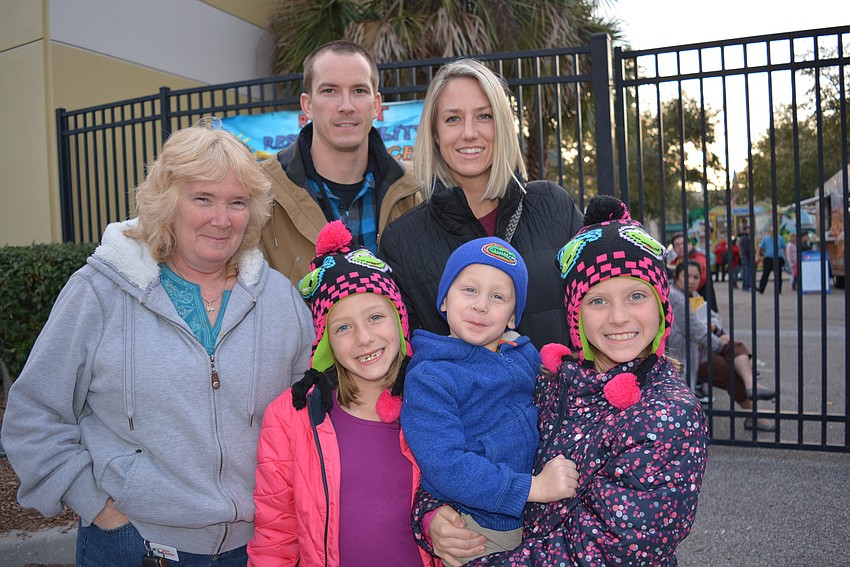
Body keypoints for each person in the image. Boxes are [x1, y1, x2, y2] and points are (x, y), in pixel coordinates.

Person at [1, 124, 314, 566]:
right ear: (168, 202)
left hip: (258, 547)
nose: (222, 219)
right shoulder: (100, 292)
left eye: (237, 202)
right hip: (135, 543)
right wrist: (101, 509)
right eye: (203, 198)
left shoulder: (280, 299)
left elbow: (311, 418)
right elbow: (34, 415)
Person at [415, 195, 709, 566]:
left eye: (636, 295)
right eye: (598, 301)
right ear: (576, 313)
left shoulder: (668, 417)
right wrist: (431, 516)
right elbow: (465, 449)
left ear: (662, 306)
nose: (619, 317)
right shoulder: (555, 382)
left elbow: (604, 553)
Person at [248, 221, 437, 566]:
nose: (364, 338)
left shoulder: (436, 401)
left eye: (376, 317)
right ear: (326, 343)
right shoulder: (291, 417)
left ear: (399, 321)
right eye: (344, 327)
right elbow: (276, 535)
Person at [379, 59, 583, 349]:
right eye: (453, 119)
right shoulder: (402, 242)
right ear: (435, 133)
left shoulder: (553, 206)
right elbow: (404, 356)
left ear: (501, 125)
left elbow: (599, 305)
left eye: (484, 116)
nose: (469, 133)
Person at [401, 238, 579, 562]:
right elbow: (446, 465)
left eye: (498, 297)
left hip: (535, 514)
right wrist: (533, 488)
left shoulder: (524, 355)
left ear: (512, 317)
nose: (481, 305)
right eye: (469, 290)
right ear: (445, 299)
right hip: (480, 525)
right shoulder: (431, 376)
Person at [259, 40, 420, 283]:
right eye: (330, 91)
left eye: (359, 91)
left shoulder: (414, 194)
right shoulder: (262, 194)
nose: (346, 106)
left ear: (376, 105)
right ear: (307, 105)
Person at [668, 261, 777, 431]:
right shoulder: (675, 297)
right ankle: (753, 410)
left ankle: (751, 388)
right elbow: (696, 331)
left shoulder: (693, 294)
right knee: (730, 371)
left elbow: (714, 317)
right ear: (676, 276)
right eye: (687, 276)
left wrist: (715, 329)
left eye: (696, 277)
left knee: (734, 347)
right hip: (689, 355)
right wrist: (719, 342)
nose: (692, 281)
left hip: (704, 347)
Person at [758, 226, 787, 294]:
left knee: (778, 274)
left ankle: (778, 290)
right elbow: (760, 247)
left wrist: (785, 257)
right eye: (772, 231)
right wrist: (758, 255)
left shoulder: (780, 238)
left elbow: (784, 247)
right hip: (768, 258)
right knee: (765, 274)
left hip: (778, 258)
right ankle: (761, 289)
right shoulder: (765, 239)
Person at [738, 224, 753, 291]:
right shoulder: (745, 238)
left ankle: (745, 286)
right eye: (748, 229)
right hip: (746, 256)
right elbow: (747, 248)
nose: (749, 231)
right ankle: (747, 286)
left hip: (743, 255)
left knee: (745, 271)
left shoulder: (742, 237)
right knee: (747, 271)